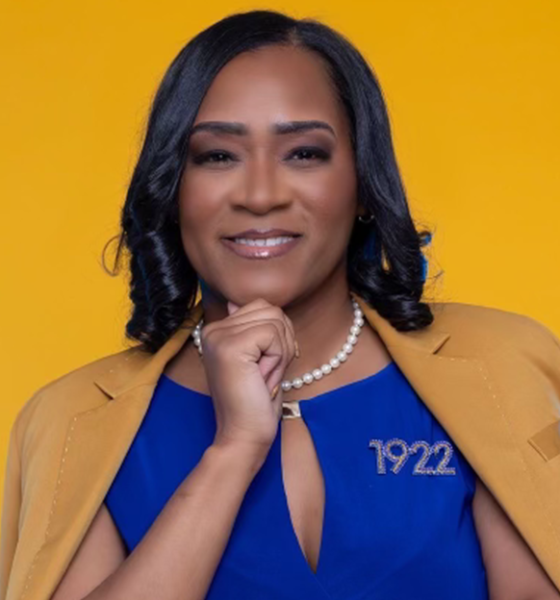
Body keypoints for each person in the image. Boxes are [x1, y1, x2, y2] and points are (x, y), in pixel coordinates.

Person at [2, 9, 560, 600]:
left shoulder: (499, 367)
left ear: (363, 182)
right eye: (218, 156)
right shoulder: (76, 421)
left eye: (304, 153)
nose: (261, 195)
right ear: (172, 189)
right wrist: (234, 450)